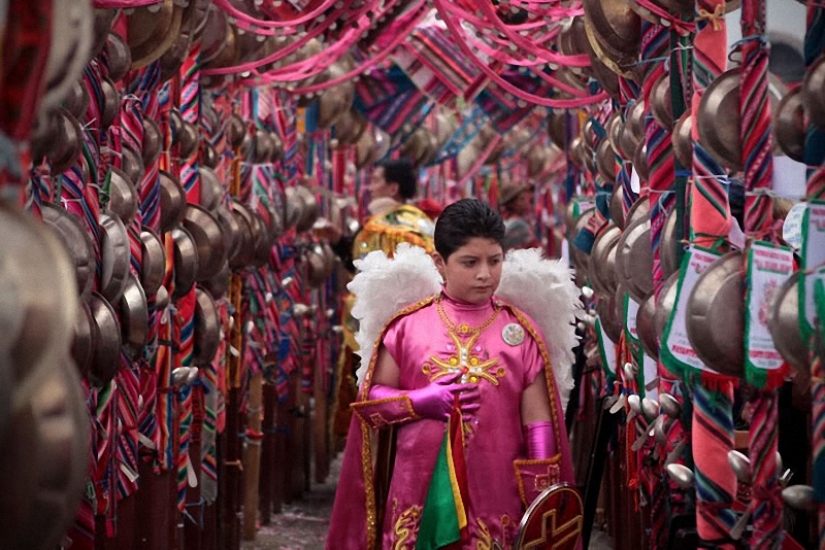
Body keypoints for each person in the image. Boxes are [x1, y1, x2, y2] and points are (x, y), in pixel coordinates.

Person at [326, 199, 576, 550]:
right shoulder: (406, 328)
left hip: (497, 495)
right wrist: (419, 402)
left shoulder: (521, 332)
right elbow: (371, 405)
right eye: (470, 262)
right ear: (439, 263)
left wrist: (541, 501)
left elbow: (538, 424)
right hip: (418, 496)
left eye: (494, 261)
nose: (485, 274)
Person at [318, 159, 437, 452]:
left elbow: (366, 273)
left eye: (376, 180)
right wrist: (340, 240)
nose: (369, 187)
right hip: (421, 333)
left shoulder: (383, 227)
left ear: (392, 188)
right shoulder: (421, 222)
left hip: (381, 334)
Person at [498, 182, 539, 251]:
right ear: (511, 204)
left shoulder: (501, 221)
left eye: (525, 198)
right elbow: (534, 249)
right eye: (522, 199)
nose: (526, 202)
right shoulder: (519, 225)